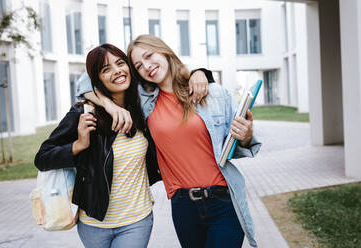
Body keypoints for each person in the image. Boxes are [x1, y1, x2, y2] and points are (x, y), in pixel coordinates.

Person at [78, 35, 261, 248]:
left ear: (164, 51)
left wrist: (246, 135)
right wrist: (110, 106)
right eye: (138, 65)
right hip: (183, 205)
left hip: (223, 200)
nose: (147, 66)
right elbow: (85, 82)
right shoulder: (142, 101)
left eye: (149, 56)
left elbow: (237, 146)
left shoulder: (213, 93)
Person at [34, 43, 161, 248]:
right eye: (106, 69)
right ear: (97, 79)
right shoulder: (84, 113)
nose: (117, 70)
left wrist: (201, 74)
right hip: (93, 224)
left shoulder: (145, 109)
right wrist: (79, 144)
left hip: (136, 220)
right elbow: (42, 158)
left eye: (120, 63)